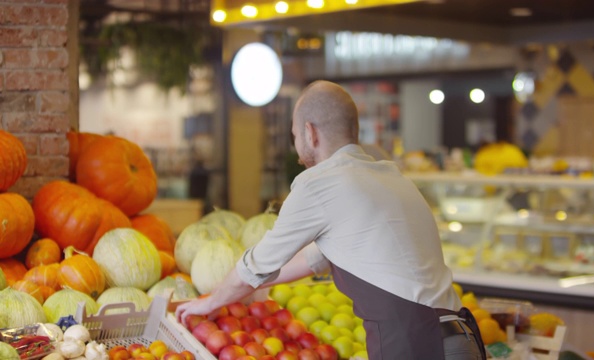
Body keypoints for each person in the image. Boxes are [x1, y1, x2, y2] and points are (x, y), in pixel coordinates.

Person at [176, 80, 486, 359]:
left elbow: (254, 266)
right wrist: (255, 289)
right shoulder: (391, 177)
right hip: (460, 339)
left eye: (296, 136)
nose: (297, 145)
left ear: (310, 133)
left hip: (418, 345)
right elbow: (313, 260)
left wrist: (210, 302)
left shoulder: (320, 183)